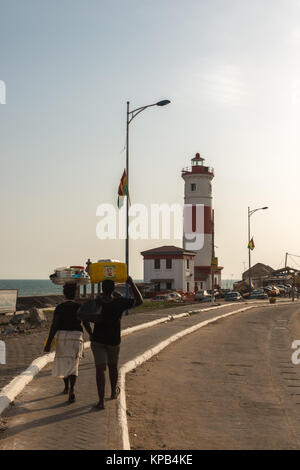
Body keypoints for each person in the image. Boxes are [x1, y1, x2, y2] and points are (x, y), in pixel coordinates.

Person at [88, 276, 143, 410]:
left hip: (98, 340)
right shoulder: (119, 302)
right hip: (113, 341)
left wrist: (89, 332)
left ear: (102, 288)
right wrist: (131, 283)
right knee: (113, 367)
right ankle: (112, 393)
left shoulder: (97, 302)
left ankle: (101, 401)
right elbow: (139, 301)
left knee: (100, 369)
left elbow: (85, 313)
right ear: (113, 289)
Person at [44, 283, 93, 403]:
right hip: (76, 337)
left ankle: (66, 387)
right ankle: (72, 389)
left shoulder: (59, 307)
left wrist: (48, 342)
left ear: (64, 294)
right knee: (73, 364)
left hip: (62, 338)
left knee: (63, 363)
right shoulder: (79, 307)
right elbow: (86, 323)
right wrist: (91, 334)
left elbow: (54, 326)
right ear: (75, 293)